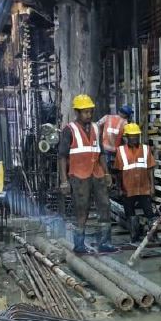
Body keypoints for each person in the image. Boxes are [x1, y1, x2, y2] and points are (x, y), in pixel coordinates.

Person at [57, 94, 117, 254]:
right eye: (85, 112)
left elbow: (101, 152)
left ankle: (105, 243)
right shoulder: (69, 130)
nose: (89, 115)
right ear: (77, 112)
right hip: (78, 176)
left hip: (97, 174)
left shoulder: (97, 128)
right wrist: (64, 181)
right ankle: (79, 245)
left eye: (90, 112)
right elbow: (62, 156)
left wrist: (107, 173)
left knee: (105, 206)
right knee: (81, 209)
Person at [115, 122, 157, 243]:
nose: (134, 138)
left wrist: (152, 187)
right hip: (128, 188)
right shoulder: (120, 151)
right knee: (130, 213)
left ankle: (153, 234)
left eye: (136, 136)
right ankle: (134, 234)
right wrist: (119, 188)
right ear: (126, 137)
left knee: (149, 212)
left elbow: (150, 169)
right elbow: (118, 172)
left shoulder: (145, 149)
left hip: (143, 187)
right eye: (131, 136)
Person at [97, 104, 134, 171]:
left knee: (104, 168)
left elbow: (97, 126)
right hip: (115, 150)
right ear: (126, 115)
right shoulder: (125, 123)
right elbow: (126, 139)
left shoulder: (107, 117)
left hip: (104, 148)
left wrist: (99, 135)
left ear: (119, 112)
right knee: (116, 169)